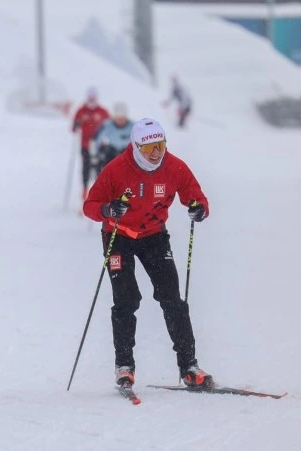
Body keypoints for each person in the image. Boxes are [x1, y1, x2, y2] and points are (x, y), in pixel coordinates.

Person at [82, 117, 213, 389]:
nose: (157, 153)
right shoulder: (117, 169)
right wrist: (107, 209)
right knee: (126, 299)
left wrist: (198, 207)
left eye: (161, 145)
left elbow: (195, 194)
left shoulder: (174, 167)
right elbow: (90, 205)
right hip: (119, 236)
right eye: (149, 148)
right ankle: (124, 367)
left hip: (154, 236)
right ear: (136, 147)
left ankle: (189, 366)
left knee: (172, 299)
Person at [71, 87, 109, 201]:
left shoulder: (102, 112)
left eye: (94, 98)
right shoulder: (81, 111)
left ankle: (99, 193)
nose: (91, 100)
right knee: (86, 169)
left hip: (99, 147)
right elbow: (74, 128)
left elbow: (110, 127)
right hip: (85, 145)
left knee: (100, 169)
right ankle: (84, 191)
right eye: (90, 98)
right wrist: (76, 125)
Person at [91, 102, 133, 177]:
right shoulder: (107, 125)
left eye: (122, 119)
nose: (120, 121)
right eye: (118, 119)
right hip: (111, 152)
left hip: (125, 152)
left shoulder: (133, 127)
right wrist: (94, 155)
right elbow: (96, 140)